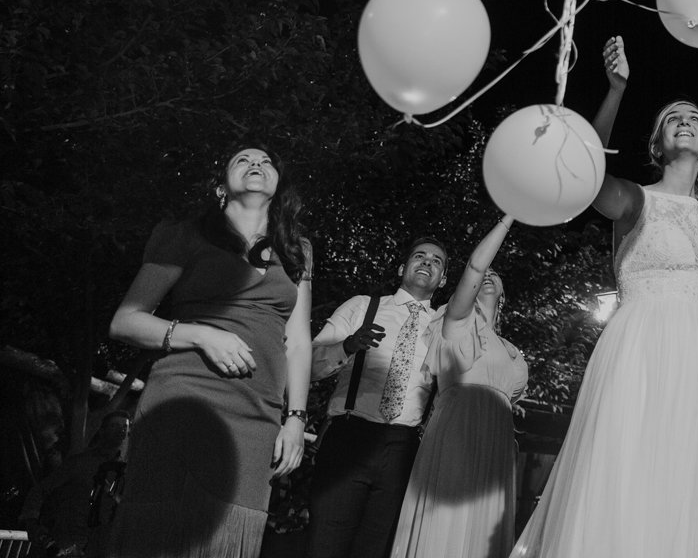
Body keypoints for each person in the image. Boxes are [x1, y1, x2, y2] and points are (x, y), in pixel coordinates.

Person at [512, 36, 698, 557]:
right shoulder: (637, 199)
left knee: (688, 479)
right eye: (672, 119)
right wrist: (616, 90)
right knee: (627, 471)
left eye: (694, 118)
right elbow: (586, 177)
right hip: (641, 346)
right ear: (657, 145)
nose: (683, 120)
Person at [106, 144, 313, 558]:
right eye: (243, 160)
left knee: (231, 539)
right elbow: (125, 321)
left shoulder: (298, 251)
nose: (256, 163)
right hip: (183, 405)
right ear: (221, 188)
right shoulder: (185, 234)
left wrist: (295, 419)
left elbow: (299, 340)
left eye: (266, 161)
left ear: (279, 187)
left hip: (257, 419)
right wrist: (201, 335)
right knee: (159, 536)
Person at [391, 216, 529, 558]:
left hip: (496, 439)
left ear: (503, 295)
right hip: (458, 430)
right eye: (483, 276)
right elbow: (475, 265)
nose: (487, 277)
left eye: (495, 277)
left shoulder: (512, 351)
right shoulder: (454, 322)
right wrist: (509, 218)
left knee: (481, 533)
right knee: (446, 521)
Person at [306, 235, 448, 558]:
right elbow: (309, 365)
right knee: (324, 546)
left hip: (404, 450)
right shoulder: (362, 306)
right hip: (349, 438)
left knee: (378, 549)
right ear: (402, 267)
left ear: (443, 279)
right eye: (420, 256)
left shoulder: (443, 330)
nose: (427, 262)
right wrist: (346, 346)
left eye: (436, 261)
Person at [22, 412, 129, 556]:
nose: (121, 430)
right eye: (114, 425)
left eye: (125, 427)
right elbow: (41, 490)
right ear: (102, 430)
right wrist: (32, 524)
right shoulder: (80, 463)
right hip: (66, 544)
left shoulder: (127, 470)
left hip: (98, 547)